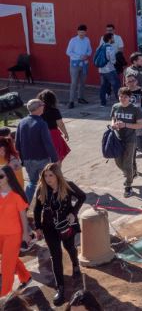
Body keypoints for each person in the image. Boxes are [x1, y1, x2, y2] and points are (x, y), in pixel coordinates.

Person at [33, 163, 86, 305]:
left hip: (66, 225)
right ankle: (60, 288)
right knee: (55, 257)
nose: (48, 179)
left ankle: (75, 264)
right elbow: (37, 210)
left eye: (51, 175)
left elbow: (82, 196)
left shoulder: (67, 186)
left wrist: (73, 213)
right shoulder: (41, 189)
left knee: (69, 247)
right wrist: (38, 227)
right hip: (49, 228)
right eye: (45, 176)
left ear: (57, 175)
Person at [15, 99, 58, 201]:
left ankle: (25, 204)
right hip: (42, 159)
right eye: (42, 105)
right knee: (48, 182)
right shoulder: (41, 123)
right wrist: (55, 158)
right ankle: (50, 203)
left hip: (27, 159)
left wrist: (21, 159)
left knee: (32, 182)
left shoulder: (22, 122)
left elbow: (17, 143)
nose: (44, 106)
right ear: (38, 108)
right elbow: (48, 143)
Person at [0, 164, 32, 297]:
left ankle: (4, 295)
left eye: (0, 176)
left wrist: (25, 234)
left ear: (8, 177)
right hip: (0, 234)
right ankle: (26, 277)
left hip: (13, 235)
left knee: (6, 266)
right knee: (10, 258)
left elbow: (23, 217)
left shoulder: (16, 196)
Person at [110, 88, 142, 196]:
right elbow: (113, 119)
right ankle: (132, 173)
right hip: (118, 139)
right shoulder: (115, 107)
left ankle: (128, 186)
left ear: (130, 98)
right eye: (121, 96)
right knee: (118, 162)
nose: (123, 99)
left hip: (130, 140)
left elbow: (139, 125)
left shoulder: (135, 109)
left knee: (127, 164)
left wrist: (125, 125)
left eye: (125, 97)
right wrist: (113, 125)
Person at [36, 90, 70, 164]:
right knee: (57, 156)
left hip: (41, 135)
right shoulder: (55, 111)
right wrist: (65, 133)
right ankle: (57, 170)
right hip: (54, 135)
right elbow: (60, 124)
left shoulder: (38, 111)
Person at [65, 24, 92, 108]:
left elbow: (90, 50)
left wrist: (87, 55)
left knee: (82, 82)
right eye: (80, 32)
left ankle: (81, 98)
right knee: (74, 83)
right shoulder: (73, 40)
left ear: (85, 32)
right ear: (77, 32)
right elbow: (68, 52)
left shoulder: (87, 40)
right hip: (75, 64)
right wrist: (79, 56)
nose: (81, 34)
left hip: (84, 64)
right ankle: (71, 101)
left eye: (83, 32)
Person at [97, 33, 120, 106]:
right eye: (112, 38)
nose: (113, 39)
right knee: (116, 85)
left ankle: (103, 103)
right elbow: (113, 60)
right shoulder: (110, 48)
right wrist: (115, 61)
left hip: (101, 70)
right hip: (110, 70)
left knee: (103, 86)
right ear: (110, 39)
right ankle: (120, 101)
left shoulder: (100, 47)